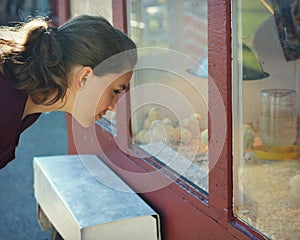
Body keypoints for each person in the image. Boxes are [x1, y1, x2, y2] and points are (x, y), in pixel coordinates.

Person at [0, 14, 137, 169]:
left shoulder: (30, 103)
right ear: (84, 77)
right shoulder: (5, 105)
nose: (114, 106)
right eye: (115, 91)